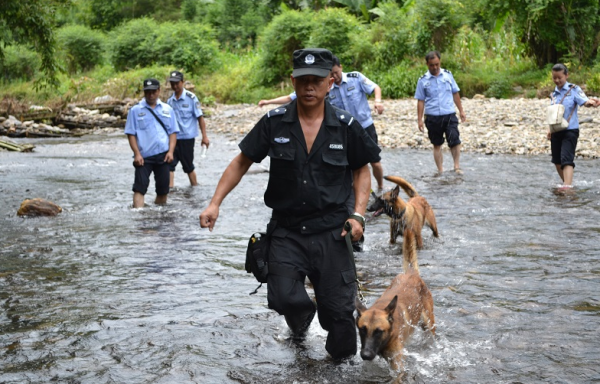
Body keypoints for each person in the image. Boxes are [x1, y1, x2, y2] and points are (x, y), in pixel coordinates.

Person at [199, 48, 381, 360]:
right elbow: (241, 162)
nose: (309, 86)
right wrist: (214, 203)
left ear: (329, 84)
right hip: (287, 232)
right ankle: (302, 321)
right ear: (293, 83)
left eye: (316, 80)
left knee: (339, 320)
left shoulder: (346, 125)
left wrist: (358, 215)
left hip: (332, 233)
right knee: (284, 298)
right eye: (302, 80)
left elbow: (362, 170)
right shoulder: (274, 123)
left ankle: (333, 370)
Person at [328, 55, 385, 191]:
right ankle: (357, 190)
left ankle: (380, 187)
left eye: (336, 72)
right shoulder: (327, 88)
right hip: (345, 132)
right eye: (331, 74)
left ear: (341, 67)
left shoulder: (356, 77)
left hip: (365, 127)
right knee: (352, 164)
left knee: (375, 162)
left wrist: (377, 101)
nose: (335, 76)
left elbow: (375, 88)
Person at [125, 78, 179, 208]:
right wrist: (136, 153)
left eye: (153, 91)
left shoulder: (167, 109)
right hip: (143, 157)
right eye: (148, 92)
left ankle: (157, 218)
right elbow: (131, 134)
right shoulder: (135, 111)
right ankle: (139, 217)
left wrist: (171, 152)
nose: (151, 94)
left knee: (163, 190)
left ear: (159, 91)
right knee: (139, 188)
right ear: (144, 92)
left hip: (163, 155)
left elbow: (173, 132)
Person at [547, 63, 598, 190]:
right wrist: (549, 129)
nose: (557, 80)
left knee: (566, 159)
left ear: (566, 75)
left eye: (560, 77)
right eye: (554, 78)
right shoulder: (553, 94)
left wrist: (590, 103)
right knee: (557, 161)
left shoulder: (573, 89)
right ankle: (567, 184)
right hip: (556, 130)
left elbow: (584, 101)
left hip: (570, 130)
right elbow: (553, 114)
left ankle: (567, 187)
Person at [415, 51, 466, 174]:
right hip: (432, 117)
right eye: (432, 65)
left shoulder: (448, 75)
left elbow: (455, 93)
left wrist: (461, 111)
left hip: (449, 114)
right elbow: (420, 101)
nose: (435, 67)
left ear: (440, 62)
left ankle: (456, 166)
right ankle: (440, 170)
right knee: (437, 144)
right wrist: (419, 119)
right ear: (427, 64)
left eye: (437, 64)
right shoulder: (423, 80)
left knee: (454, 139)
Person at [167, 70, 210, 187]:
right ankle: (169, 191)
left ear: (182, 82)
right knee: (169, 165)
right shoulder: (170, 101)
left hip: (187, 138)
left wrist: (204, 137)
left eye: (177, 83)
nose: (175, 86)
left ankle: (195, 188)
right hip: (173, 138)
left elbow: (200, 118)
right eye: (172, 84)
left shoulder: (191, 98)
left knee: (188, 166)